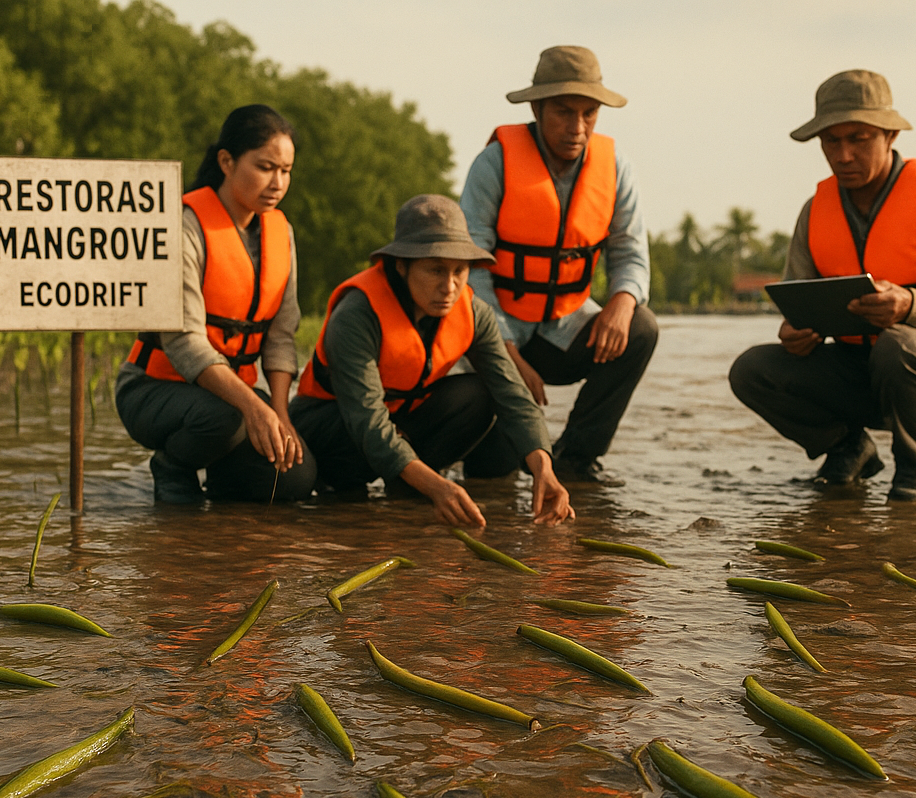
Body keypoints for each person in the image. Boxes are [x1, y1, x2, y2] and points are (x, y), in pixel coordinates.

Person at [730, 70, 916, 502]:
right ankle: (848, 448)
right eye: (831, 141)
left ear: (889, 134)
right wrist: (795, 333)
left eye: (860, 138)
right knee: (753, 370)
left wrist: (910, 304)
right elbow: (797, 301)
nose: (844, 153)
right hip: (862, 371)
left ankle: (913, 472)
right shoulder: (815, 211)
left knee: (900, 345)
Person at [289, 194, 573, 526]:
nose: (449, 286)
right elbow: (366, 422)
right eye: (436, 269)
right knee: (354, 462)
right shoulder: (357, 314)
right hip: (331, 426)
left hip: (400, 421)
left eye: (459, 271)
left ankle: (407, 485)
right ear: (401, 265)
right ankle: (388, 486)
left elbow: (512, 394)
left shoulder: (474, 312)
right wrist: (438, 487)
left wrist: (544, 468)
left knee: (478, 393)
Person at [459, 45, 658, 485]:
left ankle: (575, 457)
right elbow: (470, 268)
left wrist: (623, 303)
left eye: (589, 113)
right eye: (564, 112)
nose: (578, 127)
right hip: (496, 332)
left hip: (564, 326)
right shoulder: (494, 164)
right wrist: (506, 354)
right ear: (537, 107)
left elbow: (630, 253)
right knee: (491, 475)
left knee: (641, 326)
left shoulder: (616, 168)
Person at [115, 104, 316, 503]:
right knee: (227, 417)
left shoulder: (281, 232)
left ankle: (220, 503)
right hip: (154, 390)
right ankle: (172, 465)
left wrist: (278, 412)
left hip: (231, 399)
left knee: (292, 479)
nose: (277, 182)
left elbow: (280, 335)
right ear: (226, 161)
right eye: (265, 167)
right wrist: (254, 410)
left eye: (286, 171)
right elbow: (184, 342)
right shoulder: (184, 226)